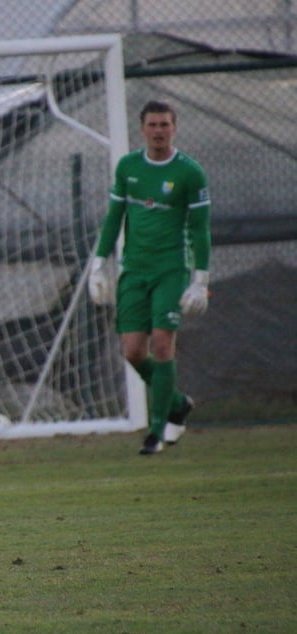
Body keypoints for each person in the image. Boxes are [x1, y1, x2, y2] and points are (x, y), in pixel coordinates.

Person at [88, 100, 211, 455]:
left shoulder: (190, 173)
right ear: (142, 128)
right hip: (134, 270)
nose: (159, 131)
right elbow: (114, 219)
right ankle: (176, 402)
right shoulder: (128, 168)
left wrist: (200, 279)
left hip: (171, 271)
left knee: (161, 345)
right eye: (153, 125)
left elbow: (201, 229)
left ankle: (157, 431)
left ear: (174, 128)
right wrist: (99, 263)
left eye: (165, 125)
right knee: (132, 351)